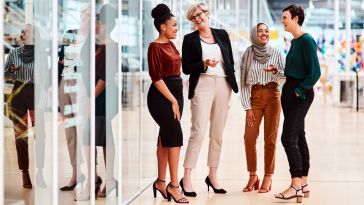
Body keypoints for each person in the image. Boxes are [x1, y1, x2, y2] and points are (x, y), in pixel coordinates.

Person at [180, 2, 238, 197]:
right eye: (194, 16)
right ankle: (187, 177)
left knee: (217, 134)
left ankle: (212, 175)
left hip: (223, 84)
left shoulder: (222, 34)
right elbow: (186, 67)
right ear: (192, 21)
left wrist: (231, 80)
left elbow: (229, 60)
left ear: (208, 14)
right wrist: (203, 63)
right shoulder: (189, 39)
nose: (198, 18)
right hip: (202, 84)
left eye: (201, 14)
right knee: (198, 131)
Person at [274, 5, 321, 203]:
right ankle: (303, 182)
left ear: (295, 18)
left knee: (288, 137)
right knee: (299, 136)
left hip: (300, 94)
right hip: (290, 91)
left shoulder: (307, 40)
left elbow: (315, 72)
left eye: (285, 17)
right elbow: (293, 70)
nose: (282, 20)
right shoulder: (294, 41)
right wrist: (276, 71)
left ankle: (295, 185)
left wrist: (300, 90)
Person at [75, 4, 118, 201]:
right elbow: (83, 68)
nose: (97, 25)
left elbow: (105, 77)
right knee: (103, 137)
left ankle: (94, 182)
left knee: (90, 138)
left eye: (100, 22)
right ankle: (107, 180)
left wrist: (91, 99)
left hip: (103, 97)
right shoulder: (90, 44)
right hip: (92, 95)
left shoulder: (113, 47)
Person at [147, 4, 188, 204]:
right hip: (161, 97)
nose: (176, 28)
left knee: (165, 137)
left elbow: (176, 73)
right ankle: (173, 185)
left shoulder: (171, 44)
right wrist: (173, 100)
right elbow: (156, 77)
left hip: (175, 94)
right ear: (163, 27)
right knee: (175, 137)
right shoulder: (154, 46)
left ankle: (161, 182)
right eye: (173, 25)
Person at [240, 23, 285, 193]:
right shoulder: (248, 54)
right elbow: (243, 81)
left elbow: (285, 76)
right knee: (249, 137)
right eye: (260, 31)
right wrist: (247, 107)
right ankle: (253, 176)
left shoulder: (276, 52)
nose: (264, 33)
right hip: (255, 97)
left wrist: (275, 71)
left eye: (266, 31)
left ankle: (268, 176)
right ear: (254, 34)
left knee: (270, 138)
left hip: (273, 95)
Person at [4, 24, 46, 189]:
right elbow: (6, 74)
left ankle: (40, 172)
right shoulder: (14, 52)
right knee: (21, 136)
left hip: (36, 93)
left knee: (39, 136)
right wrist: (11, 70)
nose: (23, 34)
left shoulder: (41, 54)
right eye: (22, 31)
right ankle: (25, 173)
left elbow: (45, 78)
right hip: (19, 94)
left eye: (26, 31)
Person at [58, 29, 85, 191]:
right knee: (70, 133)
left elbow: (88, 67)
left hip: (78, 85)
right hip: (64, 84)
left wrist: (71, 63)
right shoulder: (63, 49)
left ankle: (88, 174)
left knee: (82, 131)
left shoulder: (84, 48)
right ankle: (74, 174)